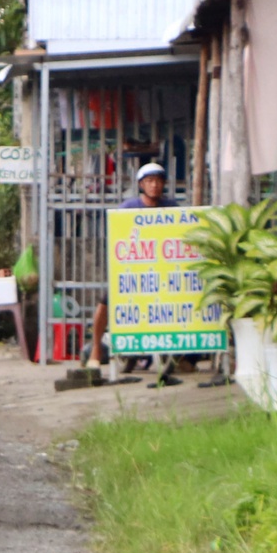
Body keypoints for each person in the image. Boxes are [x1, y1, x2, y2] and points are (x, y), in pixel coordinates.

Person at [103, 161, 180, 386]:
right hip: (134, 271)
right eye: (149, 181)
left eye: (158, 181)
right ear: (141, 185)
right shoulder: (128, 209)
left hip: (163, 272)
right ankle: (97, 351)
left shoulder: (172, 208)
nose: (154, 185)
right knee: (105, 301)